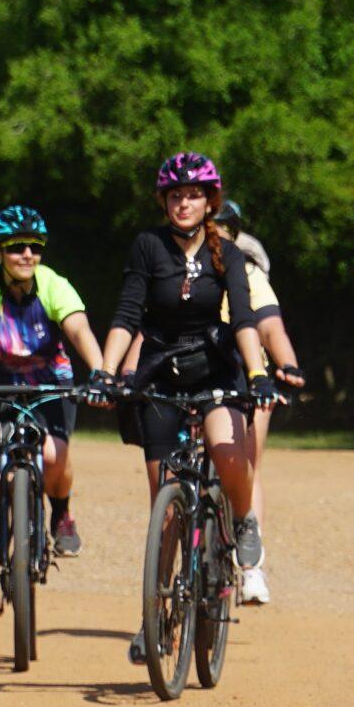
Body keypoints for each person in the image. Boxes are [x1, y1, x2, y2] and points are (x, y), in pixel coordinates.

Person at [91, 152, 278, 663]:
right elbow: (129, 312)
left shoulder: (229, 255)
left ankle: (243, 523)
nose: (183, 203)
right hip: (159, 370)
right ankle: (155, 620)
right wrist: (106, 372)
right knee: (164, 508)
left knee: (225, 446)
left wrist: (257, 374)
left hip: (216, 366)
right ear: (164, 201)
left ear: (209, 201)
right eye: (175, 195)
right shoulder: (148, 247)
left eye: (193, 194)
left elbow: (243, 318)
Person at [0, 204, 105, 617]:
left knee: (51, 455)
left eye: (34, 247)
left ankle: (61, 513)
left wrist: (100, 371)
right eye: (16, 248)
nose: (27, 255)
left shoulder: (52, 284)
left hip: (49, 385)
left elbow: (78, 327)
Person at [210, 200, 302, 605]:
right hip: (195, 375)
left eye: (222, 235)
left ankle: (252, 567)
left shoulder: (247, 275)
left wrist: (287, 364)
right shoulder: (179, 276)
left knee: (248, 465)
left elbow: (271, 326)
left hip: (247, 378)